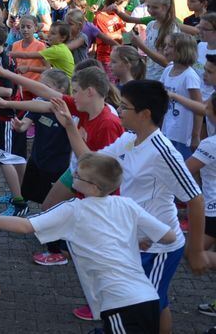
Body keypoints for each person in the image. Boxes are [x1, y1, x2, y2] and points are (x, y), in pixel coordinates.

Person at [51, 79, 207, 331]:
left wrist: (196, 250)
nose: (119, 111)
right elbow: (89, 160)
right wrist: (70, 125)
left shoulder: (163, 152)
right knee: (157, 303)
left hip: (159, 248)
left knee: (143, 307)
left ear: (145, 114)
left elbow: (195, 198)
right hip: (137, 240)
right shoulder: (128, 140)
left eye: (125, 107)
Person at [0, 152, 177, 334]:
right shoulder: (126, 204)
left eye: (78, 175)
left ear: (93, 187)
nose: (74, 175)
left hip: (120, 303)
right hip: (147, 297)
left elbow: (25, 226)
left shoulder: (74, 210)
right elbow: (169, 236)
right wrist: (141, 240)